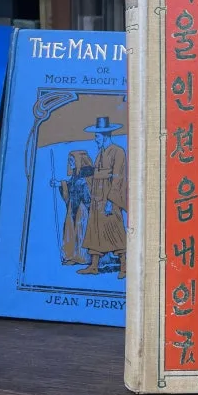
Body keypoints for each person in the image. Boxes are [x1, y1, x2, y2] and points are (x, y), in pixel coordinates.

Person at [77, 117, 128, 279]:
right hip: (97, 199)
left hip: (109, 198)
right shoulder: (100, 153)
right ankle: (94, 266)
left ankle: (124, 266)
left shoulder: (118, 151)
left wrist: (111, 201)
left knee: (115, 230)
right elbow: (96, 175)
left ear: (105, 135)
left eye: (97, 136)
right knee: (95, 230)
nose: (95, 140)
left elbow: (118, 177)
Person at [51, 150, 94, 265]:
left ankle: (83, 257)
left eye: (72, 161)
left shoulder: (88, 172)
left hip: (83, 207)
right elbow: (71, 185)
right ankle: (72, 256)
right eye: (69, 161)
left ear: (79, 160)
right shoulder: (76, 173)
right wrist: (60, 183)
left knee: (81, 231)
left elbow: (89, 190)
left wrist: (81, 184)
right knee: (71, 230)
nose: (70, 163)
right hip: (74, 205)